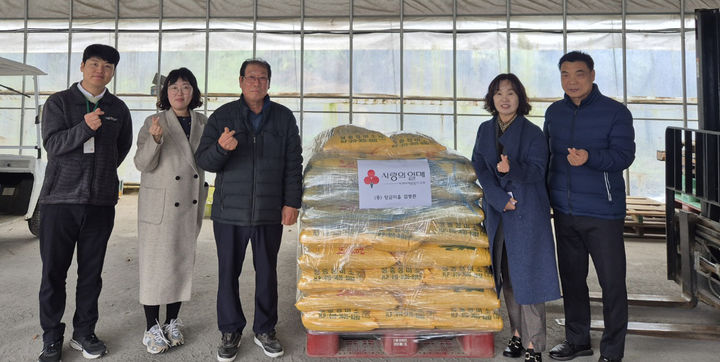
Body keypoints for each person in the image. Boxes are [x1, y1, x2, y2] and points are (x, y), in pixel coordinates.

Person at [195, 58, 303, 362]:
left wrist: (292, 202)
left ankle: (265, 329)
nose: (256, 82)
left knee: (267, 271)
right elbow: (204, 161)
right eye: (251, 77)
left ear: (268, 83)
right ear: (240, 81)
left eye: (263, 78)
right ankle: (230, 331)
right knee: (228, 272)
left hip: (270, 211)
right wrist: (221, 148)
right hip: (230, 212)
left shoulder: (283, 117)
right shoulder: (224, 116)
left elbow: (294, 163)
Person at [37, 44, 133, 362]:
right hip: (59, 201)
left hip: (99, 204)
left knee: (91, 273)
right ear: (82, 67)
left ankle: (84, 333)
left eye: (107, 66)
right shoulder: (58, 102)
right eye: (93, 64)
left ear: (113, 72)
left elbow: (120, 150)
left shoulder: (118, 108)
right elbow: (53, 145)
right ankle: (51, 337)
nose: (99, 70)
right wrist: (84, 128)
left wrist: (102, 176)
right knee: (54, 273)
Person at [544, 51, 635, 362]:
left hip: (603, 212)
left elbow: (624, 156)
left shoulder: (615, 112)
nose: (572, 80)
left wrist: (590, 158)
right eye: (565, 74)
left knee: (611, 283)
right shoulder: (554, 112)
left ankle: (612, 351)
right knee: (571, 279)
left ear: (592, 75)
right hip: (565, 211)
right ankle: (577, 340)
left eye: (579, 73)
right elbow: (548, 158)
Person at [471, 74, 561, 362]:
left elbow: (537, 171)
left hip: (527, 212)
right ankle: (518, 335)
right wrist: (499, 199)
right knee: (507, 278)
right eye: (498, 93)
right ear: (492, 99)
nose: (504, 98)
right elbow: (479, 167)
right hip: (499, 213)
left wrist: (512, 169)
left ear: (520, 98)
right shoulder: (485, 130)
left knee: (529, 277)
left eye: (510, 93)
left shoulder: (533, 132)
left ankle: (535, 344)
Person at [133, 67, 209, 354]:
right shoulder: (154, 121)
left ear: (194, 91)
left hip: (189, 202)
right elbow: (142, 164)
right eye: (174, 87)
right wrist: (154, 139)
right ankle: (151, 326)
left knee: (179, 262)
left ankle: (172, 321)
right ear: (165, 93)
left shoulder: (203, 122)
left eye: (186, 86)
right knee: (155, 265)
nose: (180, 92)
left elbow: (208, 159)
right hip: (160, 205)